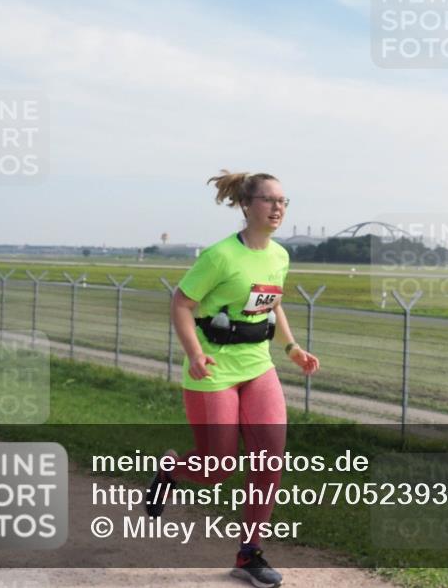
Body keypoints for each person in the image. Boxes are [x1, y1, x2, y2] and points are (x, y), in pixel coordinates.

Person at [147, 170, 319, 588]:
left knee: (270, 459)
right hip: (216, 370)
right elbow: (182, 304)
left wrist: (291, 347)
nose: (278, 208)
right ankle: (170, 470)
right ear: (246, 205)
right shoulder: (220, 256)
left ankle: (249, 554)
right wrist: (194, 353)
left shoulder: (280, 256)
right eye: (269, 200)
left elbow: (271, 305)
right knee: (217, 467)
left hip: (258, 366)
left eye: (283, 201)